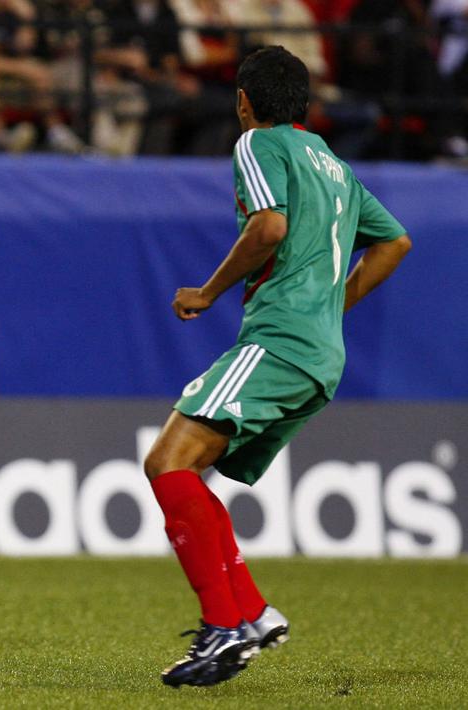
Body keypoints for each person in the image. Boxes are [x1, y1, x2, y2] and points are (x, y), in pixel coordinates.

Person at [143, 46, 411, 688]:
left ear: (243, 101)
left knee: (167, 463)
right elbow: (394, 242)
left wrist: (208, 292)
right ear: (306, 104)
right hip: (320, 354)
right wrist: (330, 310)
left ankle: (224, 627)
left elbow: (268, 227)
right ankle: (252, 613)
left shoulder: (258, 143)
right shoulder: (335, 165)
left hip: (280, 339)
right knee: (189, 469)